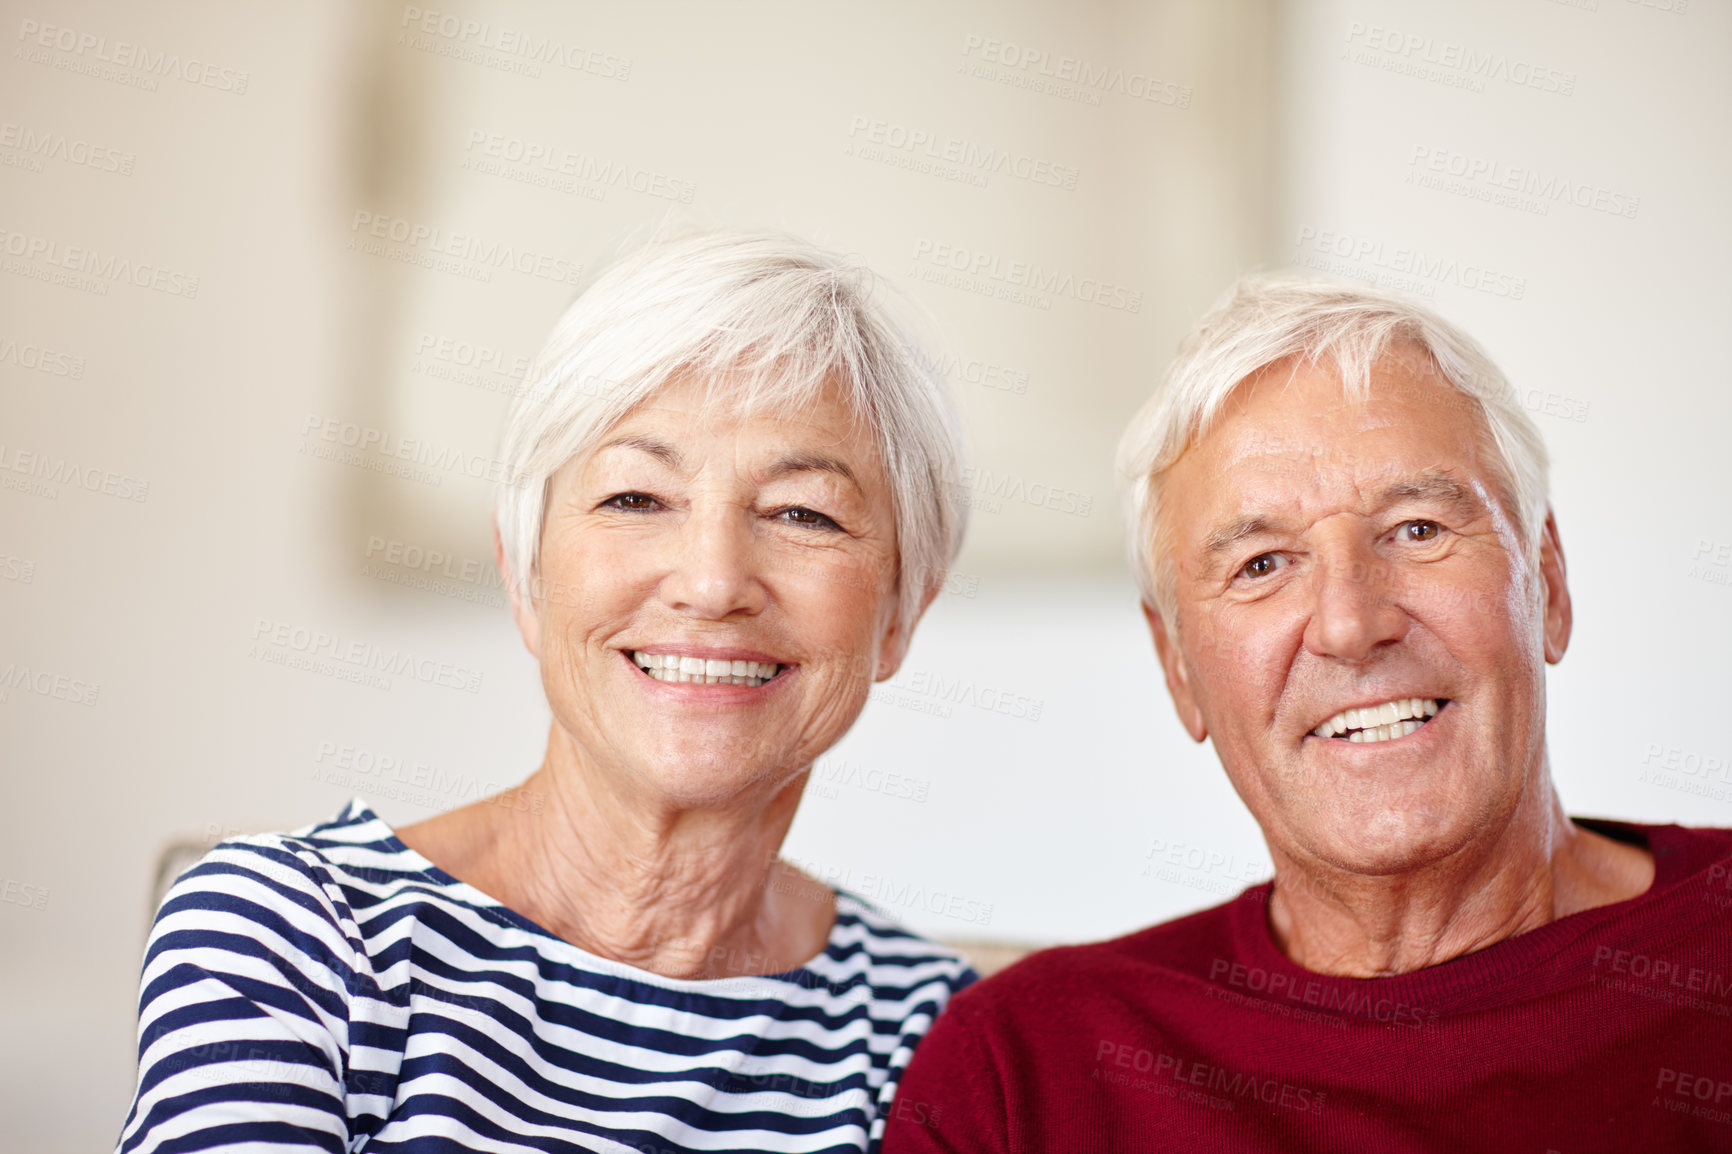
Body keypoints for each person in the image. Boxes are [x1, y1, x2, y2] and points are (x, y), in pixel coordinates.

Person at [117, 229, 976, 1154]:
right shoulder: (287, 937)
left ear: (899, 613)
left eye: (801, 513)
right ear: (524, 575)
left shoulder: (938, 1032)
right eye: (636, 499)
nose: (712, 580)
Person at [883, 274, 1732, 1151]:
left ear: (1547, 581)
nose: (1351, 624)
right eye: (1261, 564)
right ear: (1177, 666)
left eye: (1417, 529)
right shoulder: (1023, 1072)